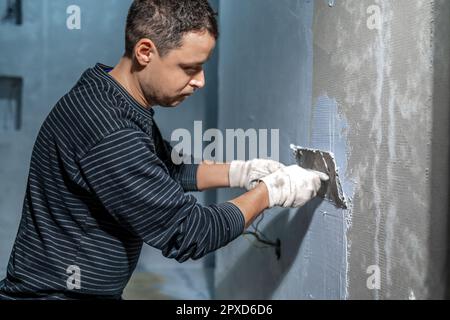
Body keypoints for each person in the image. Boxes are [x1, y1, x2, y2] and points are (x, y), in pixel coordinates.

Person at [0, 0, 328, 300]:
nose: (200, 81)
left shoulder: (107, 93)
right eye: (189, 68)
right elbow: (190, 232)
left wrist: (240, 171)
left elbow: (163, 168)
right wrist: (271, 193)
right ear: (145, 51)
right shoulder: (109, 131)